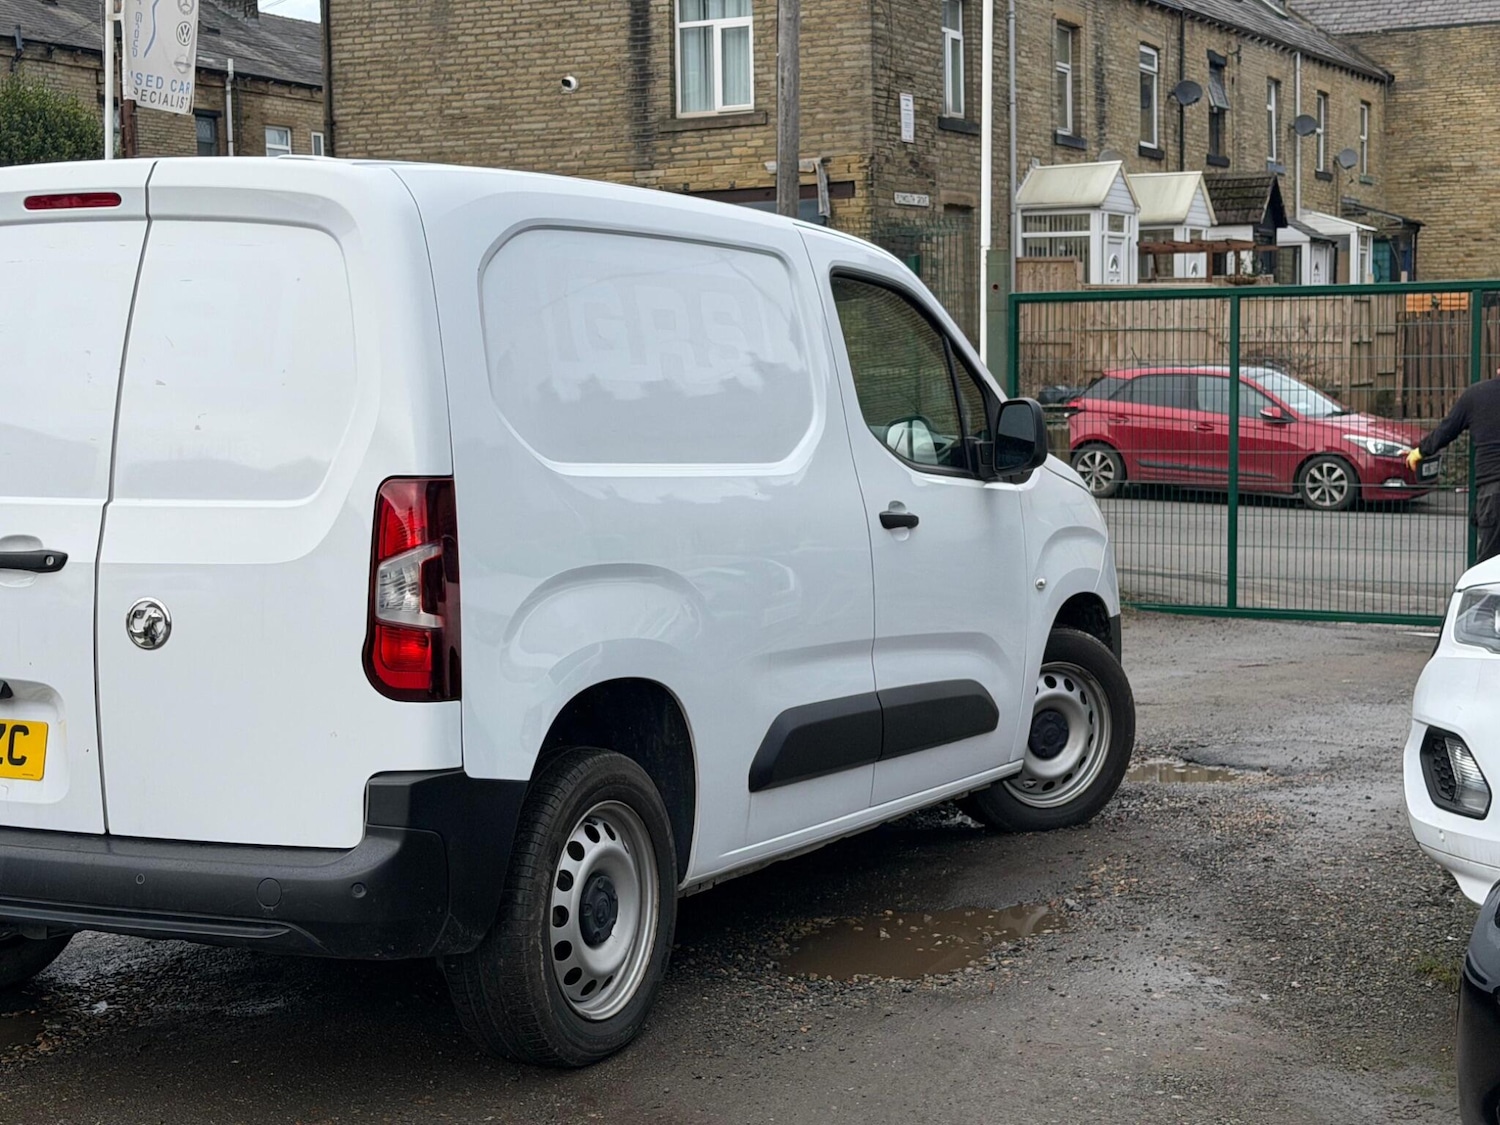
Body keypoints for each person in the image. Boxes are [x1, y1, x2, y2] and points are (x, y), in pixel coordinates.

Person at [1407, 372, 1500, 563]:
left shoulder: (1476, 395)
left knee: (1489, 566)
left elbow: (1447, 430)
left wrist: (1420, 452)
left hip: (1493, 489)